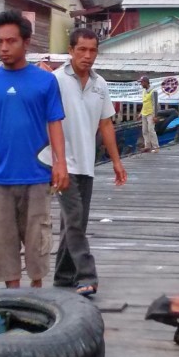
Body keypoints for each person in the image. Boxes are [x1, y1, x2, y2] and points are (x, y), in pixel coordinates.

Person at [0, 10, 68, 289]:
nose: (3, 48)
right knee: (2, 239)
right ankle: (13, 294)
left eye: (10, 41)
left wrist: (60, 163)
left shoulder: (45, 81)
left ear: (26, 42)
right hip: (0, 176)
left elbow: (54, 123)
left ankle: (37, 293)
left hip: (37, 175)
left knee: (37, 238)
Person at [52, 28, 127, 297]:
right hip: (60, 163)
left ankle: (62, 276)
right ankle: (87, 275)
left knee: (75, 222)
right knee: (74, 218)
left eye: (92, 50)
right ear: (70, 51)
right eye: (81, 50)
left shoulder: (100, 84)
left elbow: (106, 124)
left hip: (86, 162)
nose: (87, 56)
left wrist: (116, 162)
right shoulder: (56, 80)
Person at [139, 76, 159, 153]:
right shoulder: (144, 91)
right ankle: (147, 146)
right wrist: (140, 113)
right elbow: (144, 103)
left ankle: (156, 146)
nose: (141, 84)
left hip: (151, 113)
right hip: (144, 113)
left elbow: (155, 104)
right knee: (144, 130)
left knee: (151, 130)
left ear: (146, 82)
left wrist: (155, 116)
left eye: (142, 82)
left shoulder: (153, 91)